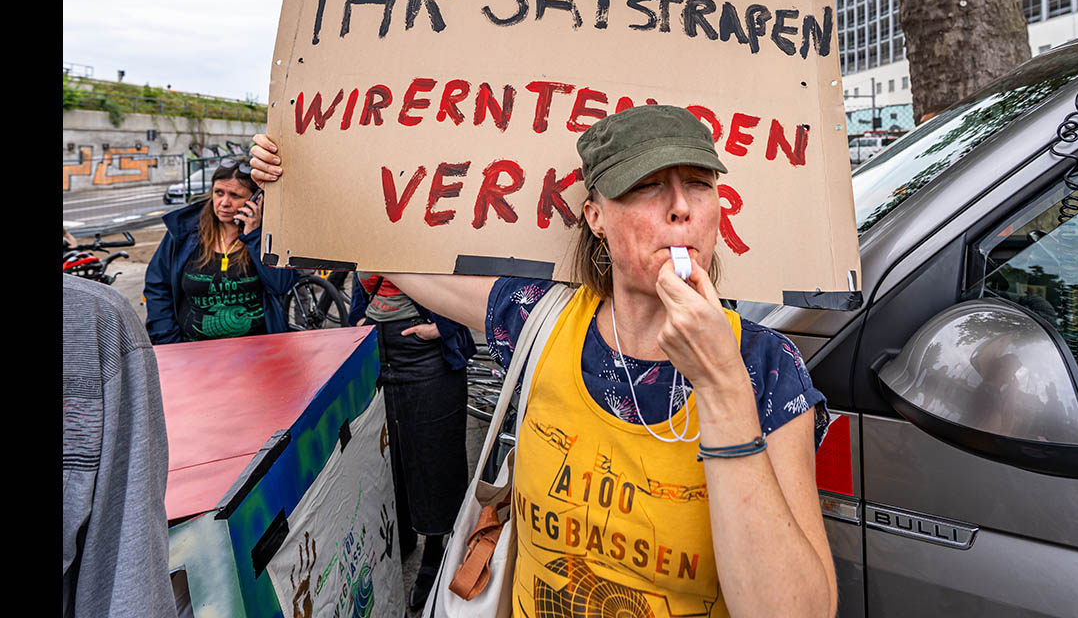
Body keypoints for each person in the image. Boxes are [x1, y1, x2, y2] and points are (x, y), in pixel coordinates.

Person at [250, 104, 838, 618]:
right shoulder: (544, 320)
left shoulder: (766, 367)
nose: (681, 207)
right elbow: (382, 252)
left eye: (700, 183)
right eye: (648, 186)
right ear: (596, 215)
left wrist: (721, 386)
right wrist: (297, 183)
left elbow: (798, 610)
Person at [347, 273, 476, 610]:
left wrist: (443, 327)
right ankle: (403, 539)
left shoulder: (430, 223)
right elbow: (359, 282)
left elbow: (463, 279)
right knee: (388, 455)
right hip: (377, 352)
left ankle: (435, 551)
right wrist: (358, 321)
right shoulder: (361, 229)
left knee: (434, 454)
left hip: (427, 355)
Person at [63, 274, 175, 617]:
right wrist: (171, 337)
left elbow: (126, 542)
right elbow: (161, 287)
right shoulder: (185, 238)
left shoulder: (95, 320)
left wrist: (250, 240)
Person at [144, 156, 297, 344]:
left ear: (257, 200)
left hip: (258, 352)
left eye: (235, 196)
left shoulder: (268, 235)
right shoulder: (186, 233)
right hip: (191, 352)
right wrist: (168, 341)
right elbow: (157, 285)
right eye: (218, 193)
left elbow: (281, 285)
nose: (224, 202)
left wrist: (254, 236)